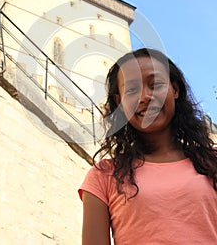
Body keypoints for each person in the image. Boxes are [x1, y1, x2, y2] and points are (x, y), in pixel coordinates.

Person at [78, 48, 217, 245]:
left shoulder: (212, 162)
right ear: (119, 102)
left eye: (156, 84)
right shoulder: (103, 176)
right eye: (132, 90)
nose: (145, 97)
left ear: (175, 90)